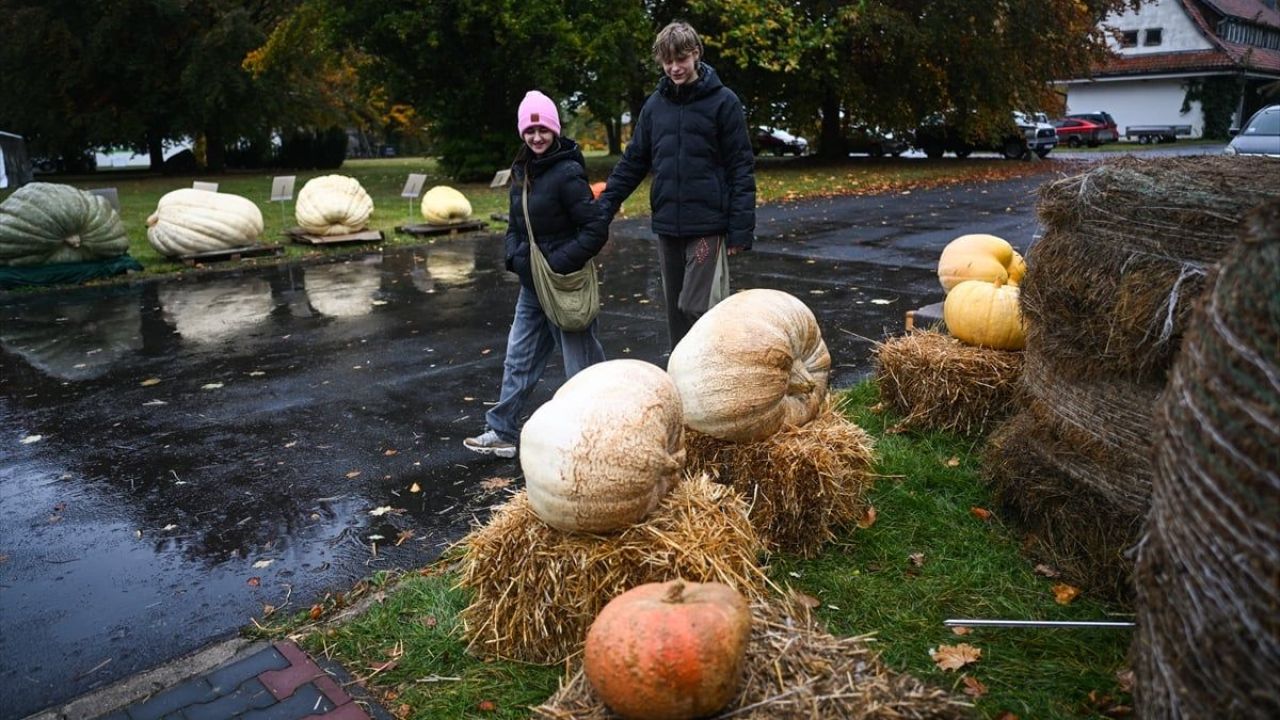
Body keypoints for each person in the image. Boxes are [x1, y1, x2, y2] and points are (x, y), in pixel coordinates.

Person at [464, 90, 608, 459]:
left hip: (564, 284)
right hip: (532, 287)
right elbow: (515, 227)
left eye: (543, 129)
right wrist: (515, 258)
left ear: (555, 129)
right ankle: (502, 432)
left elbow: (594, 230)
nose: (537, 137)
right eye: (530, 130)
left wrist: (558, 263)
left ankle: (601, 433)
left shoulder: (568, 172)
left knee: (581, 367)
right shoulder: (523, 171)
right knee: (519, 358)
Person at [597, 20, 756, 350]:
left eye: (680, 60)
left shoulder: (723, 102)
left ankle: (720, 370)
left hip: (707, 228)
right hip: (668, 226)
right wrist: (605, 206)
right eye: (667, 62)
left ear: (695, 53)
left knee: (696, 305)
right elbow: (633, 162)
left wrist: (740, 229)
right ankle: (681, 384)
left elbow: (741, 166)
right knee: (675, 312)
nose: (674, 68)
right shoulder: (655, 107)